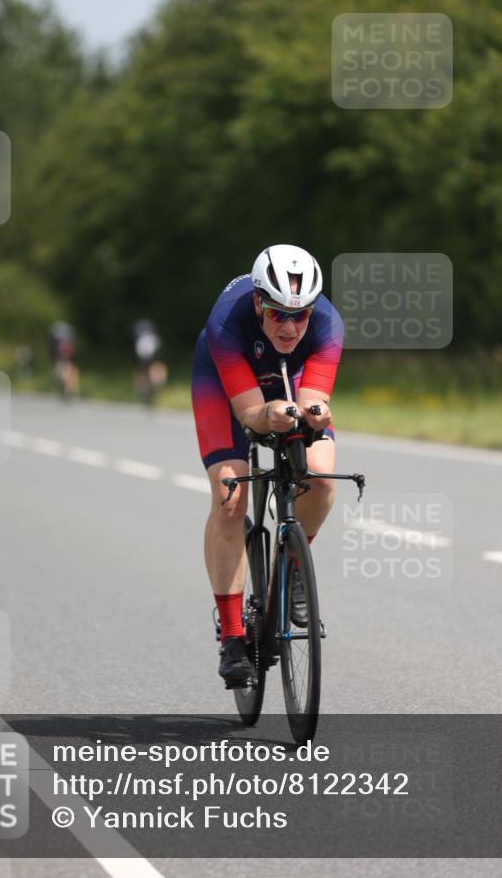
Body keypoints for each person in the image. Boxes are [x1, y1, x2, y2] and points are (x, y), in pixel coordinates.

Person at [191, 244, 344, 687]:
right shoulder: (225, 322)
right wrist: (270, 414)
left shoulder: (329, 326)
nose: (291, 326)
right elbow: (250, 414)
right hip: (226, 383)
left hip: (287, 379)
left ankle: (293, 570)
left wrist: (315, 415)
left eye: (301, 315)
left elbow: (315, 398)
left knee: (321, 480)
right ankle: (234, 635)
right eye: (278, 314)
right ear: (259, 302)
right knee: (230, 493)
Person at [132, 319, 168, 405]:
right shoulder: (153, 336)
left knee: (142, 370)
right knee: (156, 366)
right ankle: (155, 383)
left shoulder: (140, 334)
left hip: (142, 350)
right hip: (151, 348)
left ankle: (143, 388)